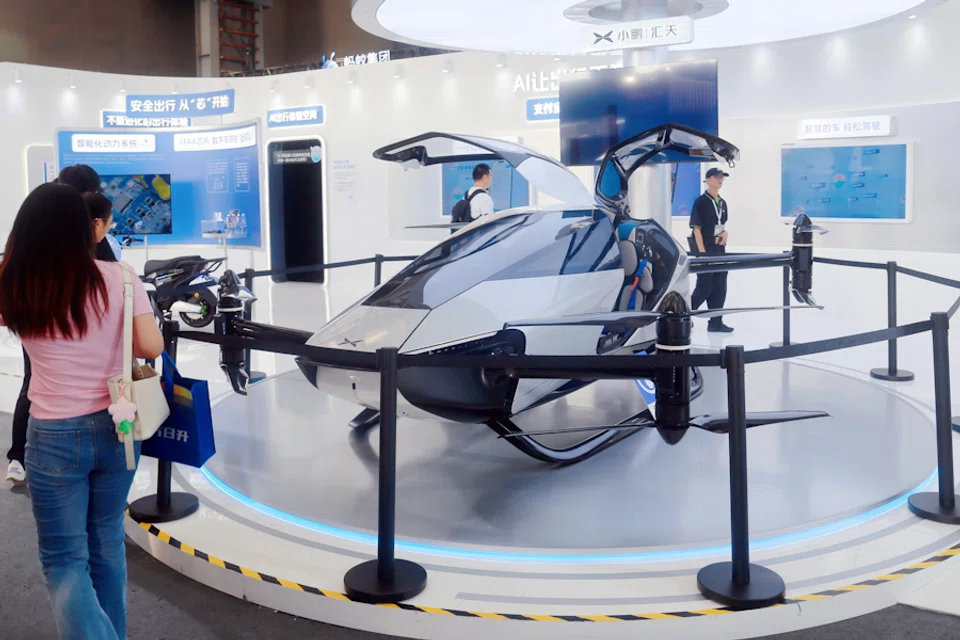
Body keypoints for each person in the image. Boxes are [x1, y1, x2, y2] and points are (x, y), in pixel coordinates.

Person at [0, 183, 163, 639]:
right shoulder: (120, 277)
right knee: (107, 543)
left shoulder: (16, 282)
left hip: (52, 435)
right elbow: (150, 346)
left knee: (64, 559)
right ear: (84, 228)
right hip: (119, 423)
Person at [6, 169, 118, 484]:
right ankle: (19, 456)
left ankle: (18, 457)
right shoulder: (104, 259)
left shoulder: (27, 251)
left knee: (33, 385)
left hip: (49, 421)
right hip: (95, 415)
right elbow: (149, 344)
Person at [690, 167, 734, 333]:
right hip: (706, 249)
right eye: (716, 177)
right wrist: (702, 254)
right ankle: (682, 316)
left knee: (720, 285)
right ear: (707, 179)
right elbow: (696, 229)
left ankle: (716, 322)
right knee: (704, 287)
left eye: (722, 177)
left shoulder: (722, 203)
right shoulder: (701, 202)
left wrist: (726, 233)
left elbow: (722, 225)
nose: (720, 180)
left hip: (719, 249)